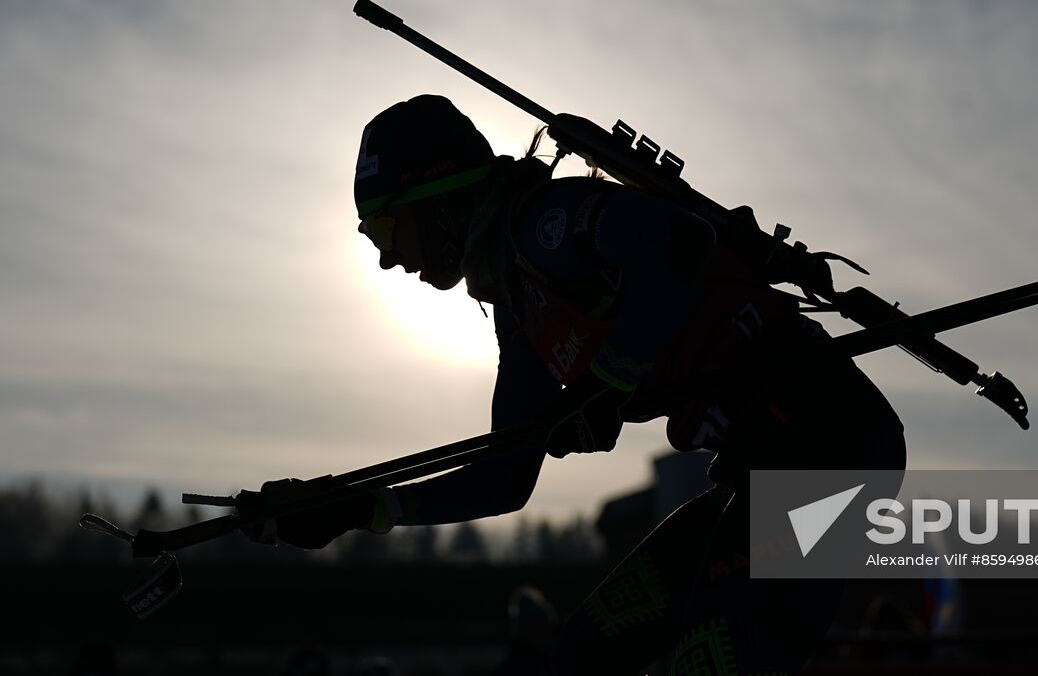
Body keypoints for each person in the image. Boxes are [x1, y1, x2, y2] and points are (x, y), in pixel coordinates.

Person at [242, 94, 906, 673]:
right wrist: (358, 506)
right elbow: (505, 476)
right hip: (757, 475)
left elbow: (679, 243)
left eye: (385, 227)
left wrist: (608, 386)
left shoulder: (545, 225)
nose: (387, 258)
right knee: (580, 656)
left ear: (435, 195)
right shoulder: (518, 304)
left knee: (712, 659)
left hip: (835, 454)